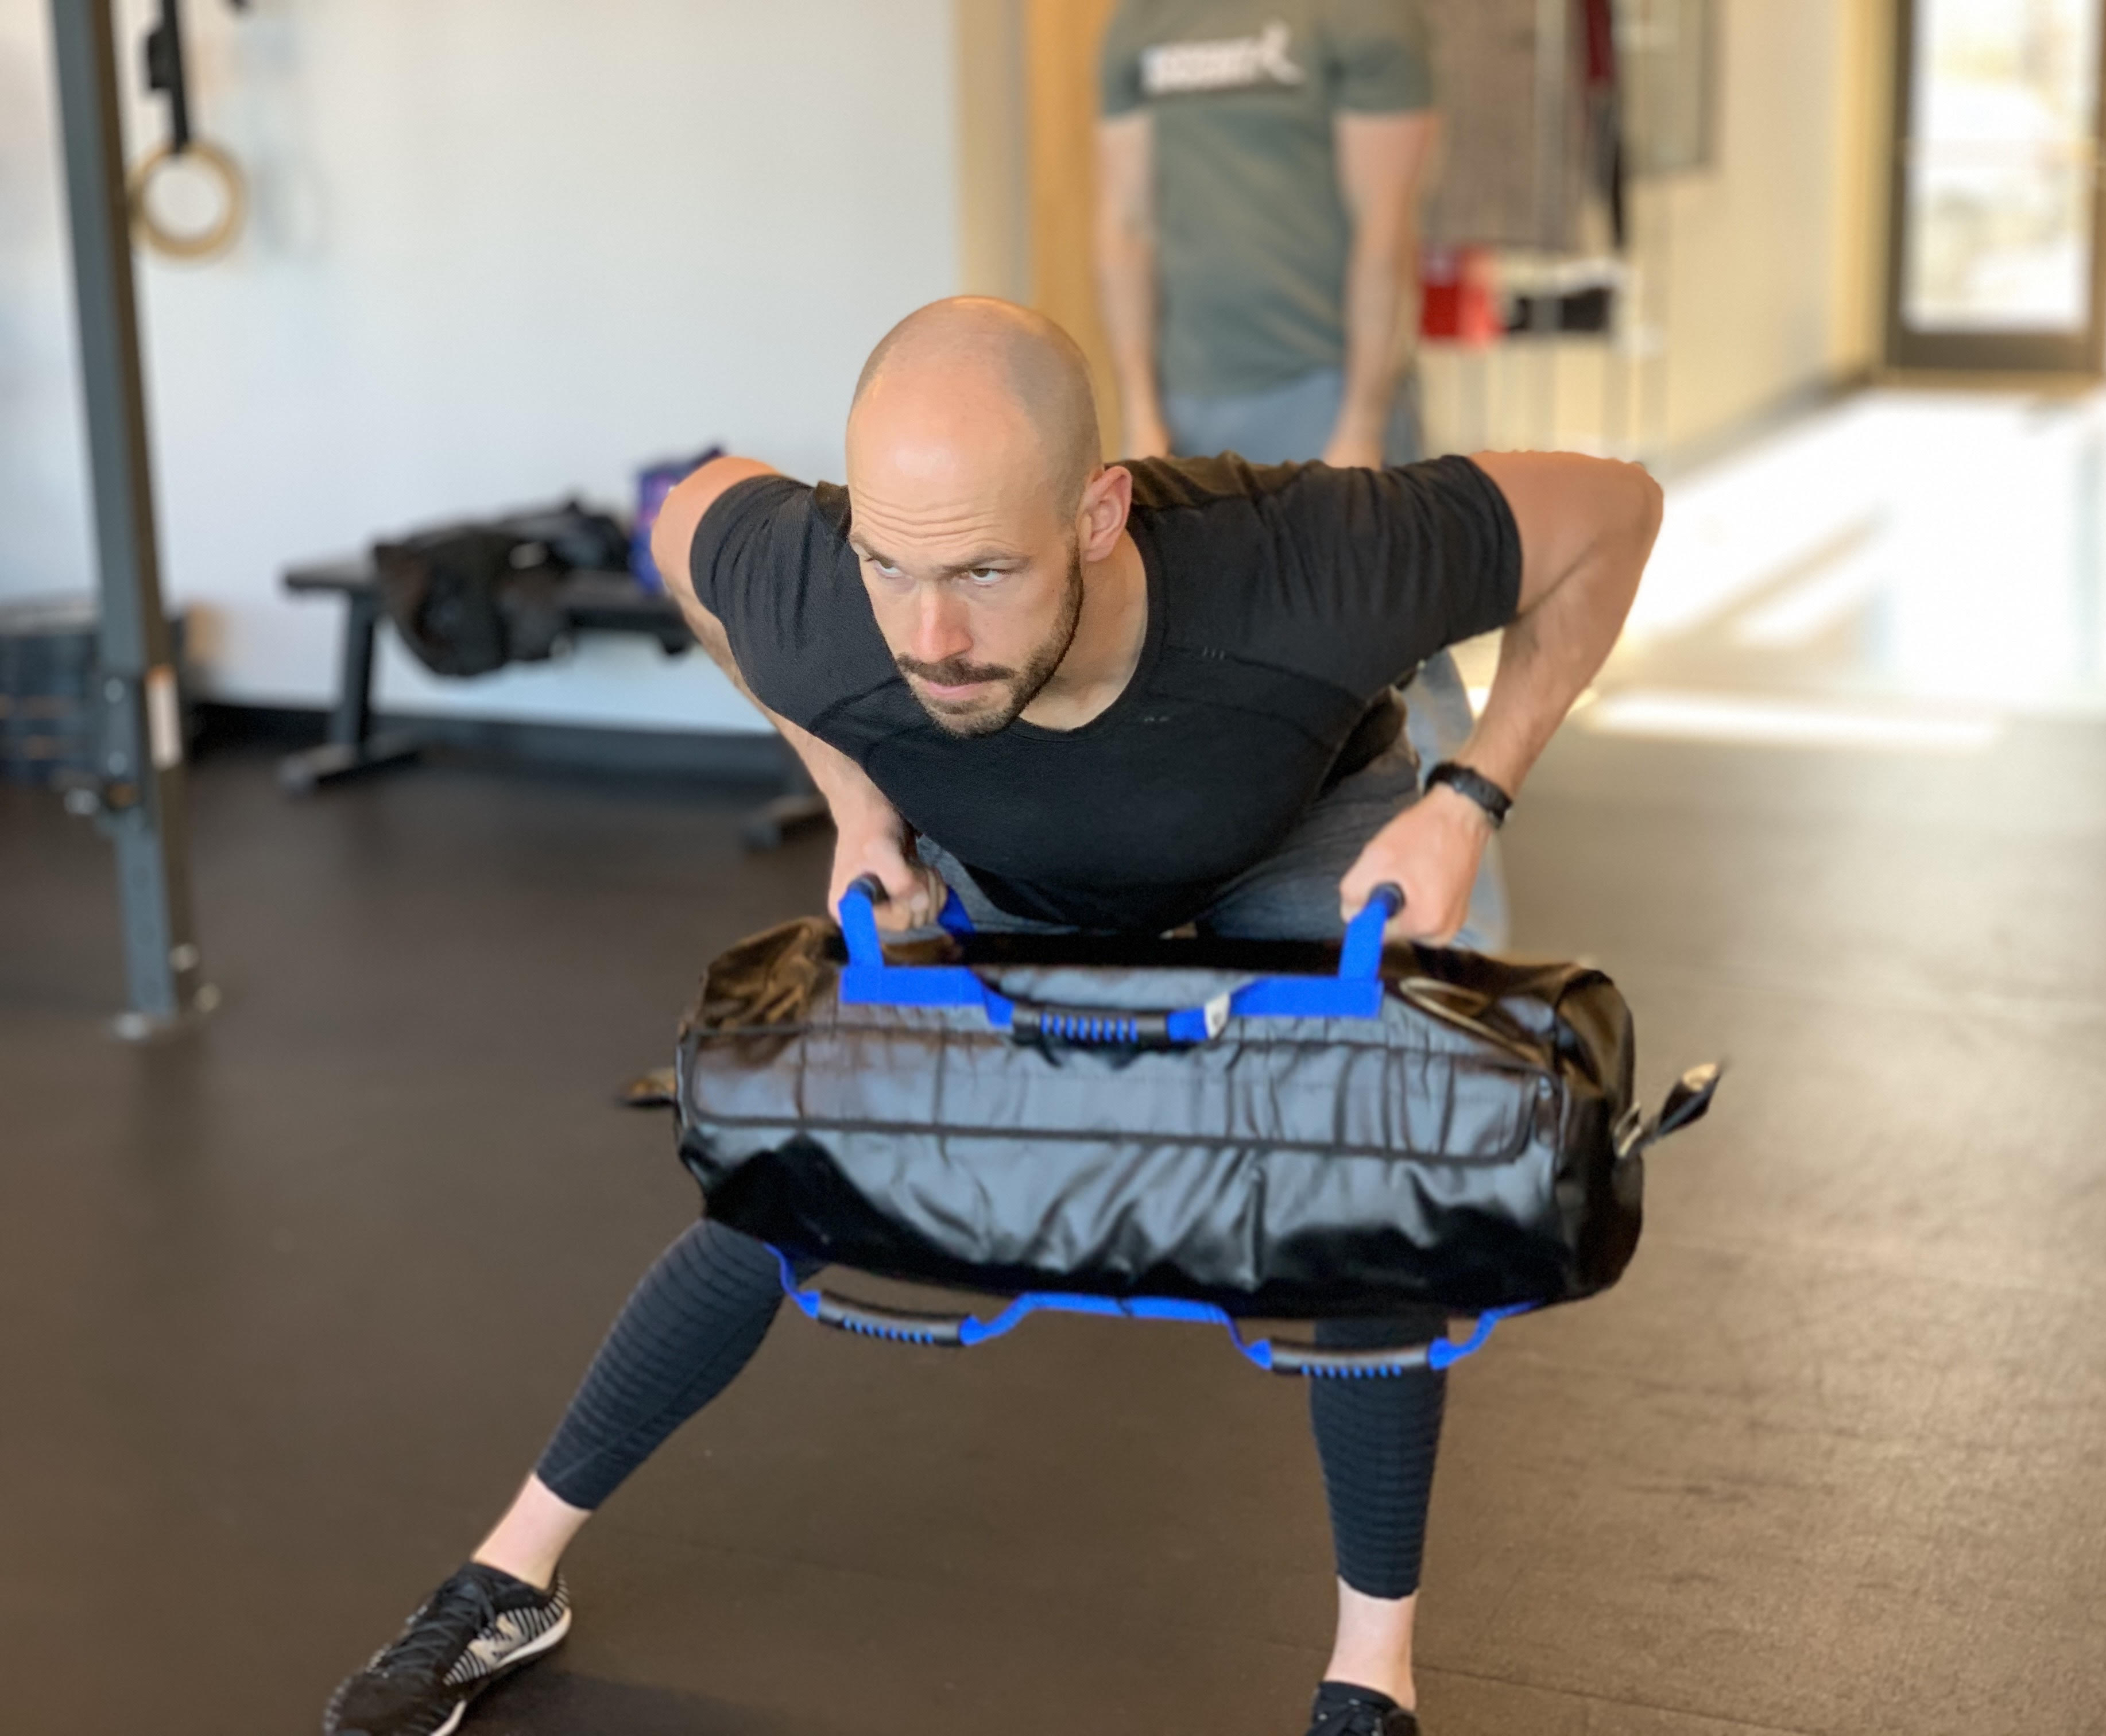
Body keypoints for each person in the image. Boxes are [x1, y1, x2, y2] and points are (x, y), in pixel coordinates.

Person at [322, 298, 1658, 1736]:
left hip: (1295, 827)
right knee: (800, 1160)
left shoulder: (1308, 564)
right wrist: (851, 797)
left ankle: (1371, 1678)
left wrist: (1470, 798)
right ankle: (510, 1576)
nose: (933, 636)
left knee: (1363, 1165)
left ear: (1100, 514)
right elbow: (683, 519)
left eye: (984, 571)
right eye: (891, 568)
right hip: (1012, 867)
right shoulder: (817, 599)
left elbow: (1614, 513)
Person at [1093, 0, 1509, 947]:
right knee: (1197, 678)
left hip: (1332, 395)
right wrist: (1143, 403)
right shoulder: (1143, 25)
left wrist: (1359, 418)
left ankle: (1459, 954)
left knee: (1402, 677)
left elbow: (1384, 227)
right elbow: (1124, 224)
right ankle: (1241, 939)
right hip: (1189, 402)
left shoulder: (1363, 19)